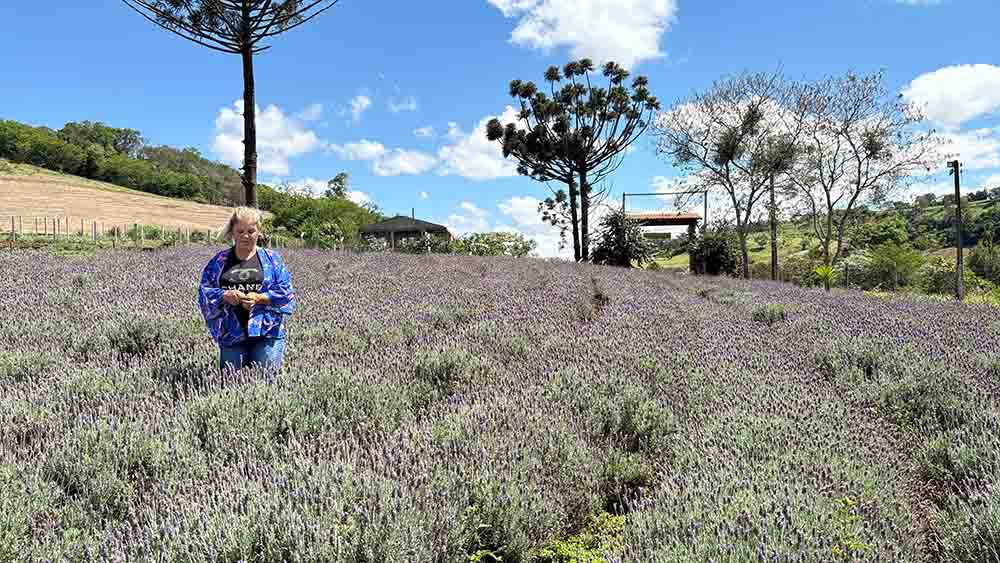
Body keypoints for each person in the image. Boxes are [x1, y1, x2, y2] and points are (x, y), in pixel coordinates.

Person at [197, 206, 295, 380]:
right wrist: (224, 295)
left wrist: (260, 298)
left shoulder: (272, 259)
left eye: (251, 231)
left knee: (266, 383)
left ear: (259, 232)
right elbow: (205, 292)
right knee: (230, 384)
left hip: (267, 333)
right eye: (240, 231)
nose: (245, 236)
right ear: (232, 233)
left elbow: (286, 292)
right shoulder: (219, 261)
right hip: (232, 334)